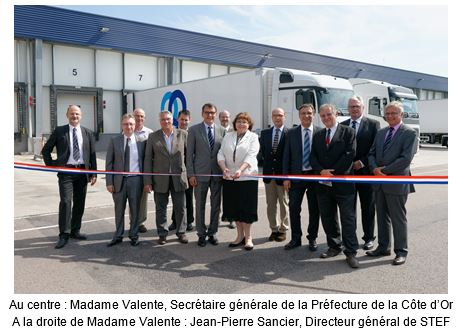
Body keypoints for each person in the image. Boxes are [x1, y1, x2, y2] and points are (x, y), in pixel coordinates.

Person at [367, 101, 417, 265]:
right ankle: (383, 247)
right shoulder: (381, 132)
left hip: (396, 182)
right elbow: (371, 153)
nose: (390, 116)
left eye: (393, 113)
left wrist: (384, 171)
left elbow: (405, 159)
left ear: (401, 115)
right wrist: (374, 169)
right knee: (381, 216)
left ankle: (401, 251)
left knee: (398, 218)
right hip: (379, 181)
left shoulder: (409, 133)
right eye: (387, 113)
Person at [311, 104, 359, 269]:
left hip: (343, 184)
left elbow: (349, 155)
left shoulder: (348, 132)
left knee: (348, 219)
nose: (326, 118)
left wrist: (332, 172)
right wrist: (320, 171)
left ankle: (351, 252)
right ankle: (334, 246)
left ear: (336, 114)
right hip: (323, 185)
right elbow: (313, 157)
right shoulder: (318, 135)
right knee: (328, 217)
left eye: (328, 115)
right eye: (323, 116)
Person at [42, 105, 97, 249]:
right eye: (72, 113)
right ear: (67, 115)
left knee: (80, 203)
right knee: (66, 202)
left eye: (77, 114)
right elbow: (46, 149)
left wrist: (93, 173)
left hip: (82, 173)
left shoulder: (87, 133)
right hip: (66, 173)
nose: (75, 116)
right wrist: (52, 164)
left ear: (81, 115)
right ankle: (64, 234)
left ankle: (75, 230)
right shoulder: (60, 131)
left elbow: (92, 154)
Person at [143, 111, 189, 245]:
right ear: (160, 121)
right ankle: (162, 233)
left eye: (168, 119)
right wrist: (147, 181)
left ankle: (181, 232)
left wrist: (188, 174)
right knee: (160, 208)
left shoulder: (183, 134)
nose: (166, 122)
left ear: (172, 120)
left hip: (178, 177)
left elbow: (189, 156)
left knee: (180, 207)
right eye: (163, 120)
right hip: (160, 179)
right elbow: (147, 160)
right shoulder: (153, 137)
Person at [341, 96, 380, 250]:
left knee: (368, 207)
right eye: (351, 106)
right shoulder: (342, 125)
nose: (354, 109)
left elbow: (375, 148)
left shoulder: (373, 124)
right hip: (347, 174)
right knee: (348, 209)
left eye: (357, 106)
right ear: (348, 109)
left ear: (363, 107)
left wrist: (362, 162)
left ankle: (369, 237)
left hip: (366, 173)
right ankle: (350, 239)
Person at [218, 112, 260, 250]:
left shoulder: (253, 137)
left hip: (247, 177)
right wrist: (224, 168)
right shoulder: (228, 136)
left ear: (249, 125)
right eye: (239, 121)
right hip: (230, 178)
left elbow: (251, 155)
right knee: (234, 208)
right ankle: (239, 236)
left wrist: (240, 170)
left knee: (246, 209)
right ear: (235, 123)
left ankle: (248, 237)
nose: (241, 124)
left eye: (244, 122)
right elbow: (221, 153)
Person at [282, 104, 322, 251]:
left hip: (314, 177)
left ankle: (312, 238)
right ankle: (295, 238)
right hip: (296, 177)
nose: (306, 116)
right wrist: (286, 177)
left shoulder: (320, 132)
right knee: (293, 208)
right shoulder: (291, 133)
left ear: (314, 114)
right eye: (303, 113)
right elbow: (286, 157)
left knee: (314, 209)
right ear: (299, 116)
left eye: (309, 113)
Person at [187, 103, 226, 247]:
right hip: (200, 175)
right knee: (200, 205)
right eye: (207, 112)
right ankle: (201, 234)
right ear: (202, 113)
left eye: (212, 113)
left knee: (216, 205)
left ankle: (212, 232)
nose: (210, 115)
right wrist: (191, 174)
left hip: (217, 174)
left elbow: (225, 153)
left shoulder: (222, 131)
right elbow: (189, 154)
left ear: (216, 114)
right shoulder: (194, 130)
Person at [105, 113, 146, 247]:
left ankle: (134, 235)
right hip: (118, 182)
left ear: (135, 126)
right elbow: (109, 163)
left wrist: (146, 182)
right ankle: (118, 235)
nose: (128, 126)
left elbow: (146, 163)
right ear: (121, 125)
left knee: (135, 210)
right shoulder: (114, 140)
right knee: (119, 210)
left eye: (131, 124)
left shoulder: (141, 141)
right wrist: (109, 182)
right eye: (126, 124)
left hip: (135, 181)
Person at [259, 108, 289, 242]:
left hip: (282, 176)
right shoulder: (265, 133)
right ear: (272, 117)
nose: (277, 118)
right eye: (275, 115)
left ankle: (283, 229)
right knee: (270, 204)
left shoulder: (290, 133)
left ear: (284, 117)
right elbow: (263, 153)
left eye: (280, 115)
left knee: (284, 203)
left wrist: (288, 176)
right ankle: (274, 229)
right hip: (268, 175)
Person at [170, 109, 194, 232]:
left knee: (189, 197)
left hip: (188, 171)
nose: (184, 122)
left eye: (186, 119)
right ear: (177, 119)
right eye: (182, 119)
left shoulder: (193, 133)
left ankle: (189, 221)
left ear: (189, 120)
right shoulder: (173, 133)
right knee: (176, 198)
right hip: (176, 171)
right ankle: (175, 221)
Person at [133, 108, 153, 234]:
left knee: (143, 199)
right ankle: (133, 222)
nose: (139, 118)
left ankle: (140, 222)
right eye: (137, 116)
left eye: (141, 116)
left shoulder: (150, 133)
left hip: (144, 172)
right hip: (131, 172)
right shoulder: (128, 130)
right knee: (132, 198)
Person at [218, 109, 235, 229]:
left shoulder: (235, 131)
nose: (225, 119)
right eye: (222, 117)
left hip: (231, 169)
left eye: (227, 117)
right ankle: (217, 217)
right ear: (219, 118)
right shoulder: (216, 131)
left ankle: (231, 218)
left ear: (230, 118)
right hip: (217, 169)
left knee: (230, 195)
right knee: (217, 195)